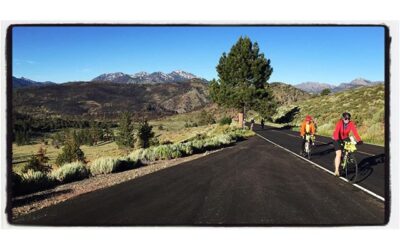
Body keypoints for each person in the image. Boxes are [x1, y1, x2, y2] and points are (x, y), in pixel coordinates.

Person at [332, 112, 363, 176]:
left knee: (350, 148)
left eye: (348, 119)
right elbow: (337, 131)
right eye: (346, 118)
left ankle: (347, 157)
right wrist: (337, 139)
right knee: (339, 153)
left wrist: (359, 140)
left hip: (345, 137)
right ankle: (336, 170)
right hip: (336, 138)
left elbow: (355, 132)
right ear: (343, 118)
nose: (347, 120)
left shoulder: (351, 123)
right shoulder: (339, 123)